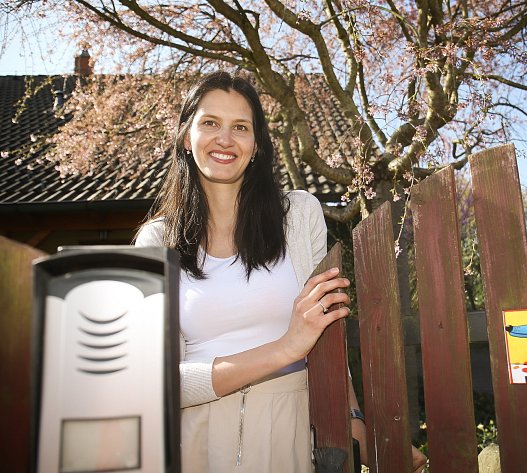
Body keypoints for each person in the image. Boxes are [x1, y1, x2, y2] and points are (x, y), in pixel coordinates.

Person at [135, 71, 426, 472]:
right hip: (195, 441)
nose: (225, 139)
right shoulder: (156, 239)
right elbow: (156, 381)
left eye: (240, 127)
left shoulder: (299, 214)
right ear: (187, 138)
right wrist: (286, 347)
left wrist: (353, 418)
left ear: (255, 146)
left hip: (291, 430)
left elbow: (325, 330)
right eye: (209, 123)